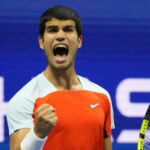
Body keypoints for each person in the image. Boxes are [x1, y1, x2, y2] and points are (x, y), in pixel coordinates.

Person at [6, 5, 115, 150]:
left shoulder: (102, 96)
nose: (60, 36)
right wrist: (37, 134)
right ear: (41, 42)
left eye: (68, 29)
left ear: (79, 40)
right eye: (52, 30)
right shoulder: (24, 100)